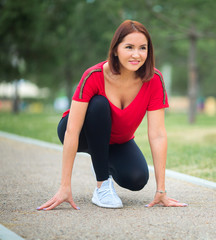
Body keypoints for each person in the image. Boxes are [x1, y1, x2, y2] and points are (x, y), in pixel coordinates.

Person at [37, 20, 187, 210]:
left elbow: (157, 134)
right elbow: (72, 131)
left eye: (143, 48)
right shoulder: (94, 75)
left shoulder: (154, 79)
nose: (136, 54)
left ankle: (100, 160)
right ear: (115, 49)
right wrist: (65, 186)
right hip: (81, 132)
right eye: (129, 47)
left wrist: (161, 190)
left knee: (137, 178)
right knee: (99, 104)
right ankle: (102, 187)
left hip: (117, 140)